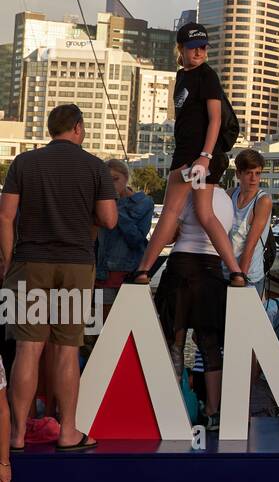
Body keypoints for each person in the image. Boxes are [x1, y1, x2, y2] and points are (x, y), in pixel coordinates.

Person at [0, 104, 116, 452]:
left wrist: (7, 262)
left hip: (29, 263)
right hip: (76, 266)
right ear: (78, 128)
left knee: (26, 349)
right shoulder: (96, 167)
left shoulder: (24, 162)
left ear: (52, 129)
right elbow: (110, 219)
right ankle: (67, 432)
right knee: (66, 351)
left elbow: (5, 216)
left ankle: (17, 435)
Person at [133, 23, 245, 289]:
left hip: (198, 157)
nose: (199, 52)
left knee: (183, 212)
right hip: (188, 156)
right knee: (192, 214)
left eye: (204, 47)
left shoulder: (207, 76)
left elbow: (215, 119)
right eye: (194, 47)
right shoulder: (182, 76)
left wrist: (204, 156)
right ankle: (235, 272)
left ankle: (144, 269)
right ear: (181, 48)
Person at [154, 181, 236, 430]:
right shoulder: (226, 199)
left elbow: (169, 235)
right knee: (209, 344)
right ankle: (212, 411)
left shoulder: (186, 191)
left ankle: (173, 407)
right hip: (211, 270)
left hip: (181, 266)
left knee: (174, 341)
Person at [95, 159, 154, 312]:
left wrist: (115, 208)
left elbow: (136, 239)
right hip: (103, 273)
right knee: (103, 323)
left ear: (126, 178)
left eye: (115, 179)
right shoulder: (100, 202)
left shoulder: (143, 203)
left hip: (129, 272)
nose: (112, 185)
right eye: (108, 181)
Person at [230, 149, 273, 297]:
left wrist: (240, 276)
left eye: (258, 173)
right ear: (238, 174)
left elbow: (250, 244)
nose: (254, 178)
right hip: (226, 271)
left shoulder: (263, 201)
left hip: (249, 275)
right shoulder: (230, 194)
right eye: (249, 173)